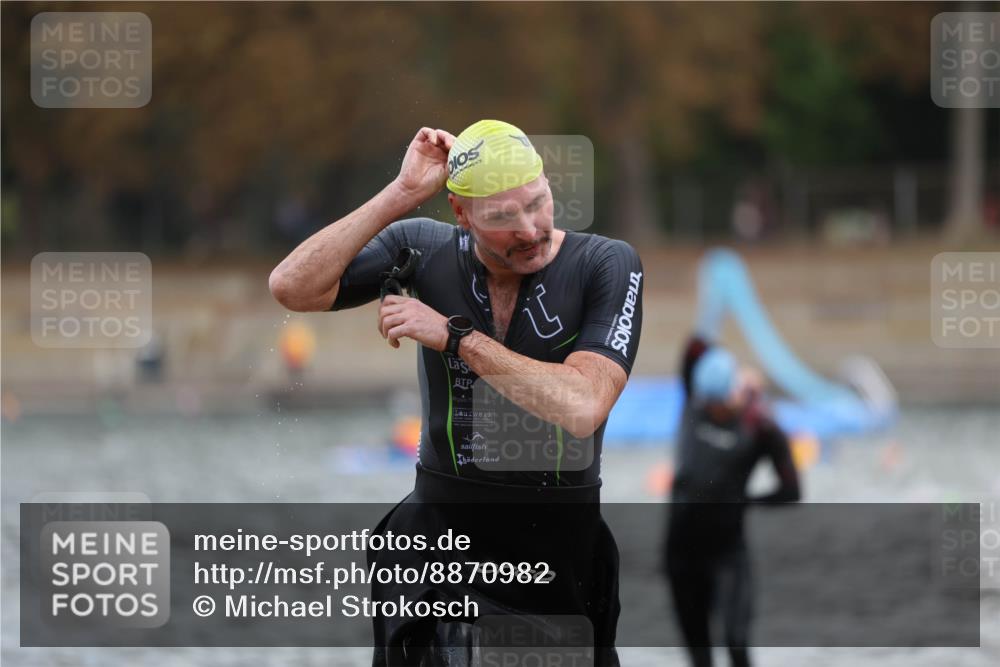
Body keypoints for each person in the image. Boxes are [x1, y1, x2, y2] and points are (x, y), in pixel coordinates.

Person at [269, 120, 643, 665]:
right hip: (437, 542)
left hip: (558, 549)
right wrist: (401, 193)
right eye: (502, 217)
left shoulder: (604, 264)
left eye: (537, 203)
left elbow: (583, 405)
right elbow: (292, 286)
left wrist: (455, 337)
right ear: (461, 214)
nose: (530, 229)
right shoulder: (424, 248)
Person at [665, 336, 801, 667]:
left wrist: (746, 502)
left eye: (719, 402)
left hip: (727, 555)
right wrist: (726, 361)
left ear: (733, 393)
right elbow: (693, 347)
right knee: (700, 656)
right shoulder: (693, 406)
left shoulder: (759, 427)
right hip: (681, 554)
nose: (712, 408)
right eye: (708, 401)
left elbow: (792, 491)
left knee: (736, 644)